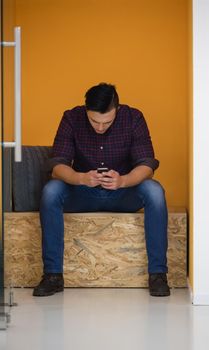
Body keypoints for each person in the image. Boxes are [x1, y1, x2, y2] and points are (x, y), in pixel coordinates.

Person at [33, 83, 170, 297]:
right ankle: (52, 276)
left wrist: (123, 181)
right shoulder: (71, 118)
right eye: (94, 121)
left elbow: (147, 165)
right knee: (51, 190)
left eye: (107, 122)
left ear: (117, 108)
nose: (100, 127)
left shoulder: (133, 118)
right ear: (86, 110)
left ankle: (158, 275)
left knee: (154, 190)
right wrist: (80, 178)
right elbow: (58, 166)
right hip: (82, 193)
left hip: (123, 193)